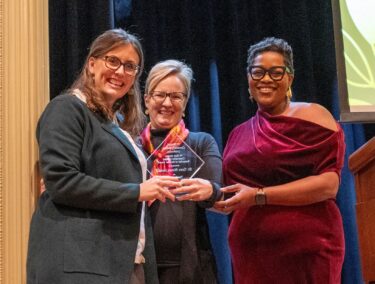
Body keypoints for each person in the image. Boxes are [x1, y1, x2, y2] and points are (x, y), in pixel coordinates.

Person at [27, 29, 181, 284]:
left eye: (130, 66)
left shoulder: (116, 125)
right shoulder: (67, 108)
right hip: (80, 265)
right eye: (113, 61)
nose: (120, 72)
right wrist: (137, 191)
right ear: (92, 63)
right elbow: (61, 182)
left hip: (121, 261)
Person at [214, 37, 346, 283]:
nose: (265, 79)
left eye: (276, 72)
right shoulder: (238, 133)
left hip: (307, 251)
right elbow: (228, 192)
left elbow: (329, 185)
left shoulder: (313, 116)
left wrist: (258, 195)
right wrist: (205, 193)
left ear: (290, 78)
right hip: (250, 254)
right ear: (248, 78)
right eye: (258, 72)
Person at [139, 59, 224, 283]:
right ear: (146, 100)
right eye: (160, 95)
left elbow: (216, 192)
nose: (167, 102)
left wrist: (210, 191)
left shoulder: (201, 143)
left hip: (191, 267)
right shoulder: (130, 145)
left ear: (185, 104)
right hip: (139, 266)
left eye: (176, 96)